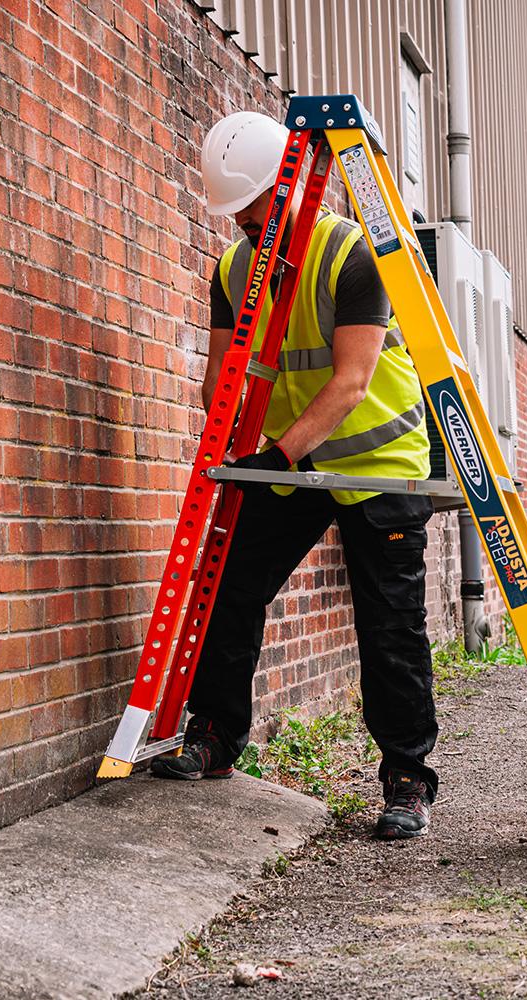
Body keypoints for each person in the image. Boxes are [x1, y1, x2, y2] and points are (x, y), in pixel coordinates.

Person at [151, 111, 438, 839]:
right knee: (227, 587)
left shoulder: (354, 255)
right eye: (235, 216)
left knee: (389, 624)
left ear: (285, 189)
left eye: (252, 211)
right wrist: (226, 445)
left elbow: (352, 381)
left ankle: (407, 777)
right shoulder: (233, 269)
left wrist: (274, 455)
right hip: (290, 462)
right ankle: (215, 735)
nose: (243, 226)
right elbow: (221, 378)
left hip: (377, 462)